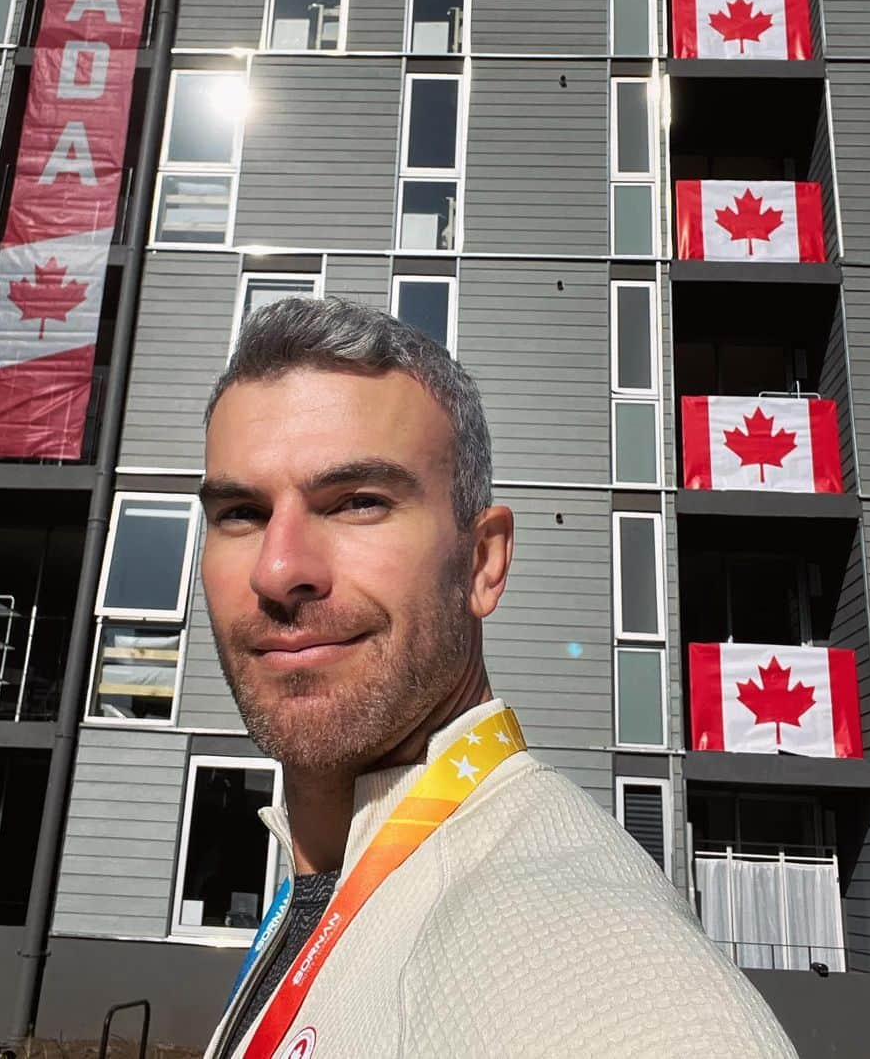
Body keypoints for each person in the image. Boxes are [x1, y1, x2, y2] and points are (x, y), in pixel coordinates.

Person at [199, 296, 799, 1059]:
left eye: (357, 503)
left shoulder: (579, 954)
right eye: (242, 513)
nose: (279, 570)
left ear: (484, 562)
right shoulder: (327, 869)